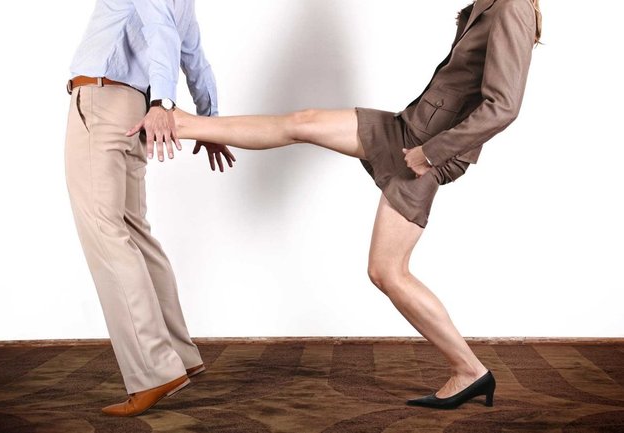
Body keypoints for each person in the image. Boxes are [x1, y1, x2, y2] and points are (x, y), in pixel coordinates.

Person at [145, 0, 542, 409]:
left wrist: (431, 153)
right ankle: (185, 124)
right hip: (408, 129)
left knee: (387, 271)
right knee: (303, 122)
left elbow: (503, 107)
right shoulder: (490, 3)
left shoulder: (513, 7)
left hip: (427, 151)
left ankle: (469, 370)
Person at [64, 0, 235, 417]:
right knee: (133, 231)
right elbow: (193, 56)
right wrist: (209, 118)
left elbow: (161, 31)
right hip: (132, 107)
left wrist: (164, 103)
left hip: (104, 100)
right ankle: (179, 355)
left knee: (105, 232)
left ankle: (155, 371)